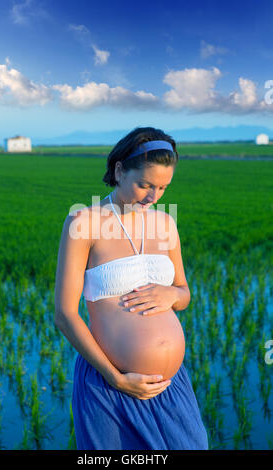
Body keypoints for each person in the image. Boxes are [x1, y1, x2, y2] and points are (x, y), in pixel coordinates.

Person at [54, 126, 209, 450]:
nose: (153, 196)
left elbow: (184, 292)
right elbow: (65, 314)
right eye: (145, 185)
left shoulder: (165, 224)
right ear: (120, 170)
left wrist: (173, 294)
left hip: (171, 384)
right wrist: (116, 377)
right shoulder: (84, 223)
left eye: (163, 187)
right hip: (111, 385)